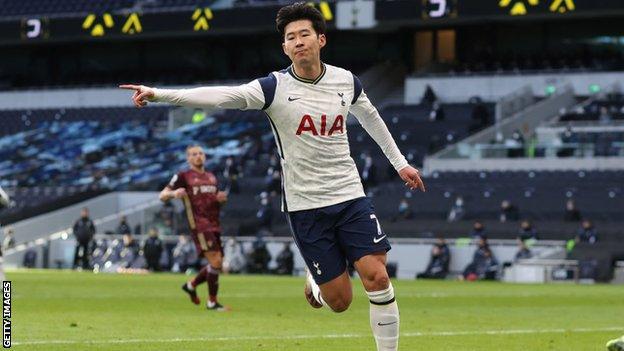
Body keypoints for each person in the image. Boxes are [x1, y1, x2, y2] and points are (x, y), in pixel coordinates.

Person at [120, 3, 425, 349]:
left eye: (304, 34)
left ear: (321, 39)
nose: (298, 41)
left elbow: (371, 118)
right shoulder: (274, 88)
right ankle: (317, 280)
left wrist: (400, 163)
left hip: (349, 195)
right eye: (290, 37)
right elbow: (221, 96)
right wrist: (159, 94)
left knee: (378, 276)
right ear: (284, 47)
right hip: (306, 205)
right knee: (340, 302)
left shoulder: (345, 81)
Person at [158, 145, 229, 311]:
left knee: (217, 264)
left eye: (201, 153)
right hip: (199, 224)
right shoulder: (183, 176)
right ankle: (212, 302)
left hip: (215, 224)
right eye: (194, 154)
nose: (198, 156)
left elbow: (214, 200)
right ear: (188, 159)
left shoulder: (211, 177)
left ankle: (191, 285)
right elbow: (162, 195)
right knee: (216, 262)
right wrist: (173, 194)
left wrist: (221, 199)